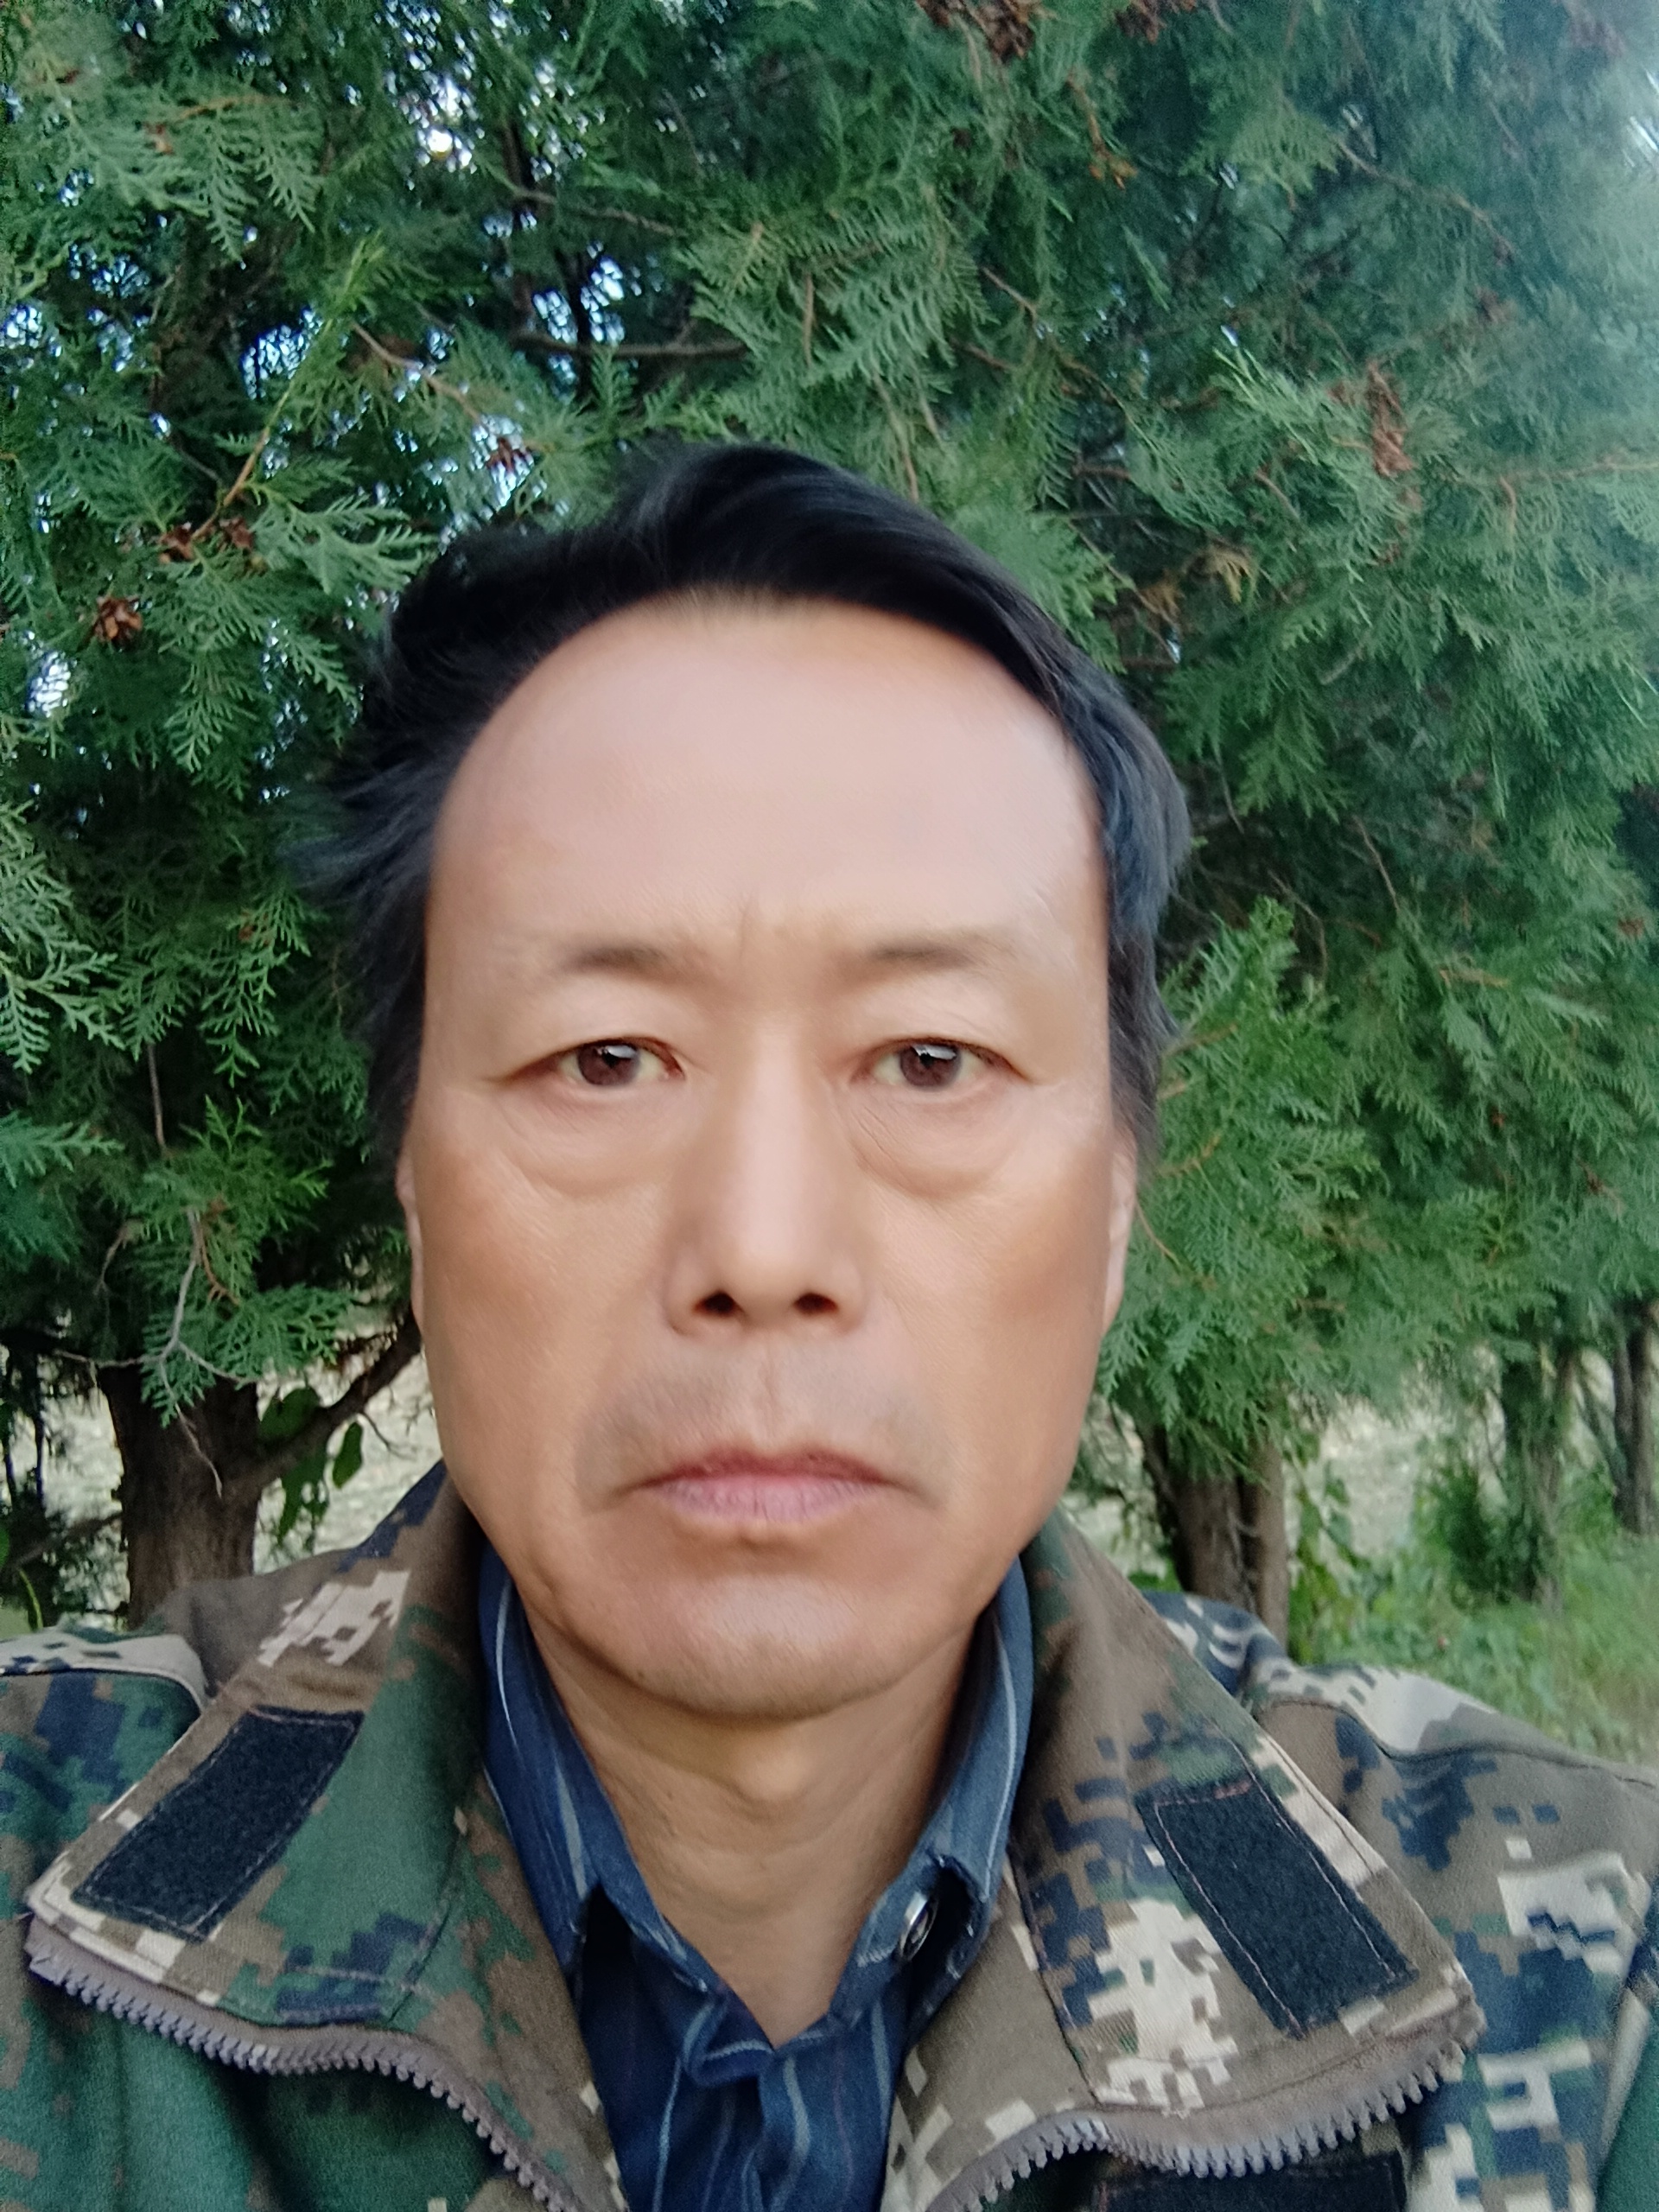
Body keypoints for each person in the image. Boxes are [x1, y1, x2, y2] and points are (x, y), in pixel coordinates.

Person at [0, 446, 1653, 2212]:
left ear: (1113, 1202)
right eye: (604, 1058)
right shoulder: (53, 1908)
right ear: (417, 1191)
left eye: (932, 1059)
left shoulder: (1568, 1965)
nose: (764, 1248)